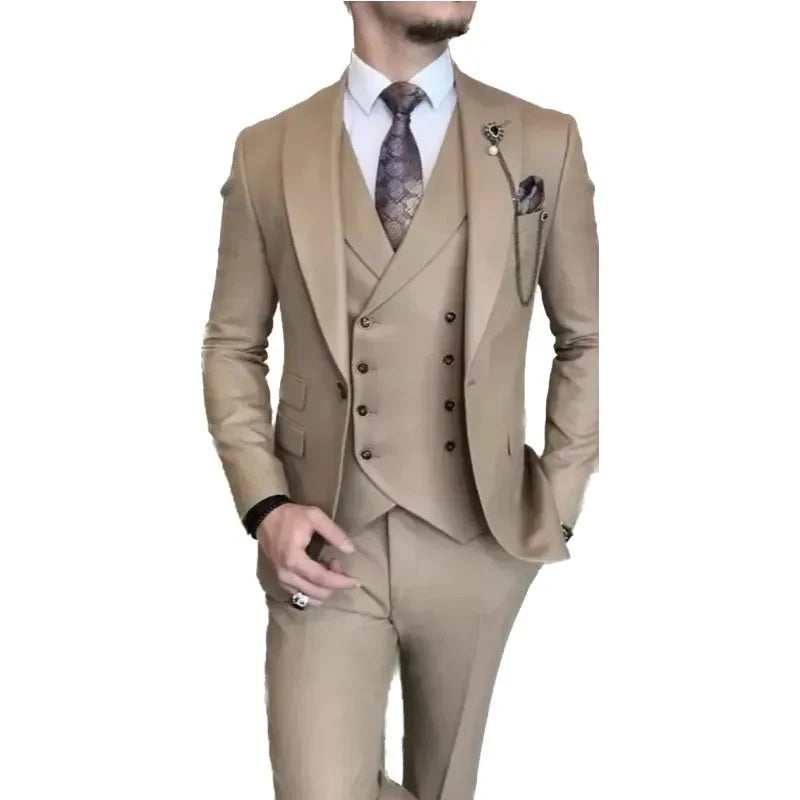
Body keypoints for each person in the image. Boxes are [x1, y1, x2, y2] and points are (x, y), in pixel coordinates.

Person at [201, 2, 598, 797]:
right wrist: (266, 505)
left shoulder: (542, 139)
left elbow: (581, 339)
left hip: (479, 538)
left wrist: (554, 505)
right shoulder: (268, 150)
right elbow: (232, 347)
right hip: (325, 543)